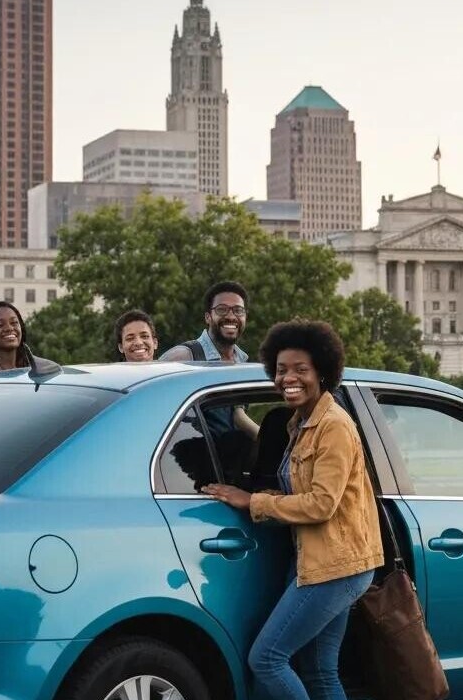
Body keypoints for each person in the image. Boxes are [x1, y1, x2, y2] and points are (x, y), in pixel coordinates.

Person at [203, 320, 383, 700]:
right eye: (282, 370)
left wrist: (252, 501)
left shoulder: (332, 426)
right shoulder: (299, 423)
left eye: (301, 369)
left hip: (337, 564)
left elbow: (322, 503)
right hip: (321, 559)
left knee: (267, 658)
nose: (289, 378)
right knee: (319, 671)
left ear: (322, 371)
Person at [160, 281, 259, 439]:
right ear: (208, 317)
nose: (231, 316)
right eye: (222, 310)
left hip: (225, 461)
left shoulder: (242, 362)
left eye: (238, 310)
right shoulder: (185, 357)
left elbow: (236, 421)